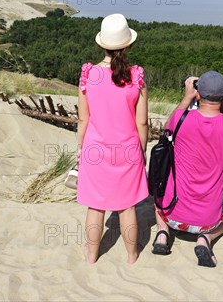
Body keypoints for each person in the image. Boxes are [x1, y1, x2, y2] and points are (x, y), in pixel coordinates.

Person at [76, 13, 149, 265]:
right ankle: (132, 255)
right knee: (127, 206)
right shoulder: (136, 76)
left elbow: (83, 120)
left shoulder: (88, 74)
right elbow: (142, 122)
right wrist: (141, 151)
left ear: (101, 44)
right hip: (128, 149)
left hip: (94, 149)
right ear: (128, 45)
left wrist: (80, 148)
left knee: (96, 207)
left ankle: (92, 254)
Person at [152, 71, 223, 268]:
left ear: (198, 94)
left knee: (158, 198)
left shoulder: (181, 118)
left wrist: (187, 97)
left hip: (171, 214)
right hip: (207, 221)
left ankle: (162, 233)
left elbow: (167, 129)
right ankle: (206, 239)